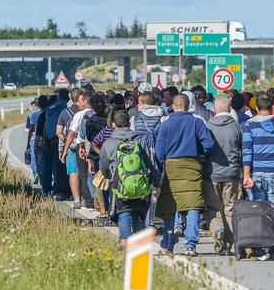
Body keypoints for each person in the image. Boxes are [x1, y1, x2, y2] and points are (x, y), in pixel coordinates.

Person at [153, 94, 216, 256]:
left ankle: (168, 244)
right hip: (192, 166)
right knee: (193, 205)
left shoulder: (166, 124)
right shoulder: (196, 122)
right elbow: (209, 144)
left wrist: (159, 172)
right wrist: (200, 156)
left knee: (169, 207)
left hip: (171, 167)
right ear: (188, 106)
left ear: (173, 106)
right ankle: (191, 245)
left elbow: (159, 152)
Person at [99, 110, 160, 246]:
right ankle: (139, 240)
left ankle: (125, 241)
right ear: (129, 123)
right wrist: (157, 183)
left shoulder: (108, 143)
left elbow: (103, 166)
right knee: (139, 211)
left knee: (123, 210)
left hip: (119, 184)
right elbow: (151, 162)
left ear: (113, 124)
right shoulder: (139, 140)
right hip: (141, 184)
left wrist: (110, 178)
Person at [242, 94, 274, 259]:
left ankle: (263, 245)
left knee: (260, 209)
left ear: (256, 108)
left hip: (257, 171)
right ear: (272, 106)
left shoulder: (249, 125)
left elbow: (247, 151)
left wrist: (246, 175)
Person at [204, 95, 245, 255]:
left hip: (211, 174)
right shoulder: (236, 126)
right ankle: (229, 244)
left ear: (215, 109)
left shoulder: (208, 126)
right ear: (229, 109)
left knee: (214, 208)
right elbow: (242, 150)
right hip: (232, 174)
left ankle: (217, 230)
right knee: (230, 208)